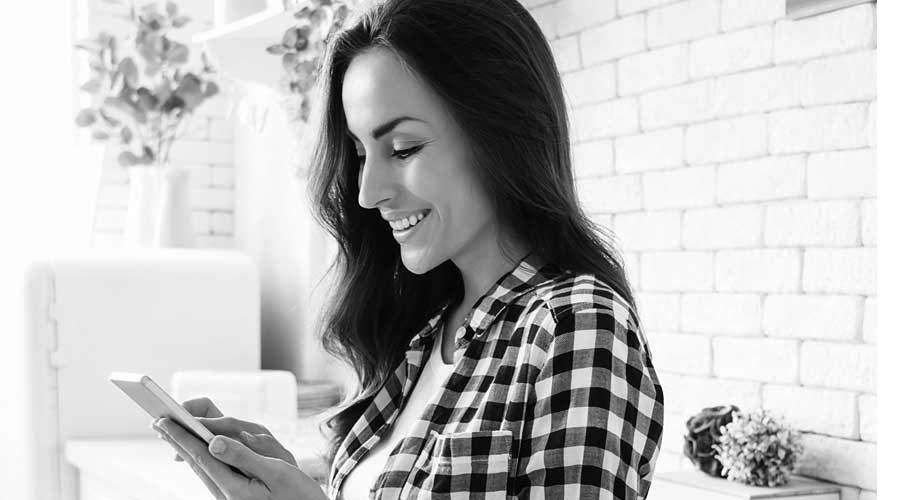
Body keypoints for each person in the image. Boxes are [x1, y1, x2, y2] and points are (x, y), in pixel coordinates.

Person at [153, 0, 665, 498]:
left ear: (503, 131)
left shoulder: (575, 325)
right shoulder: (422, 334)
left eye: (403, 149)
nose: (367, 192)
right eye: (359, 154)